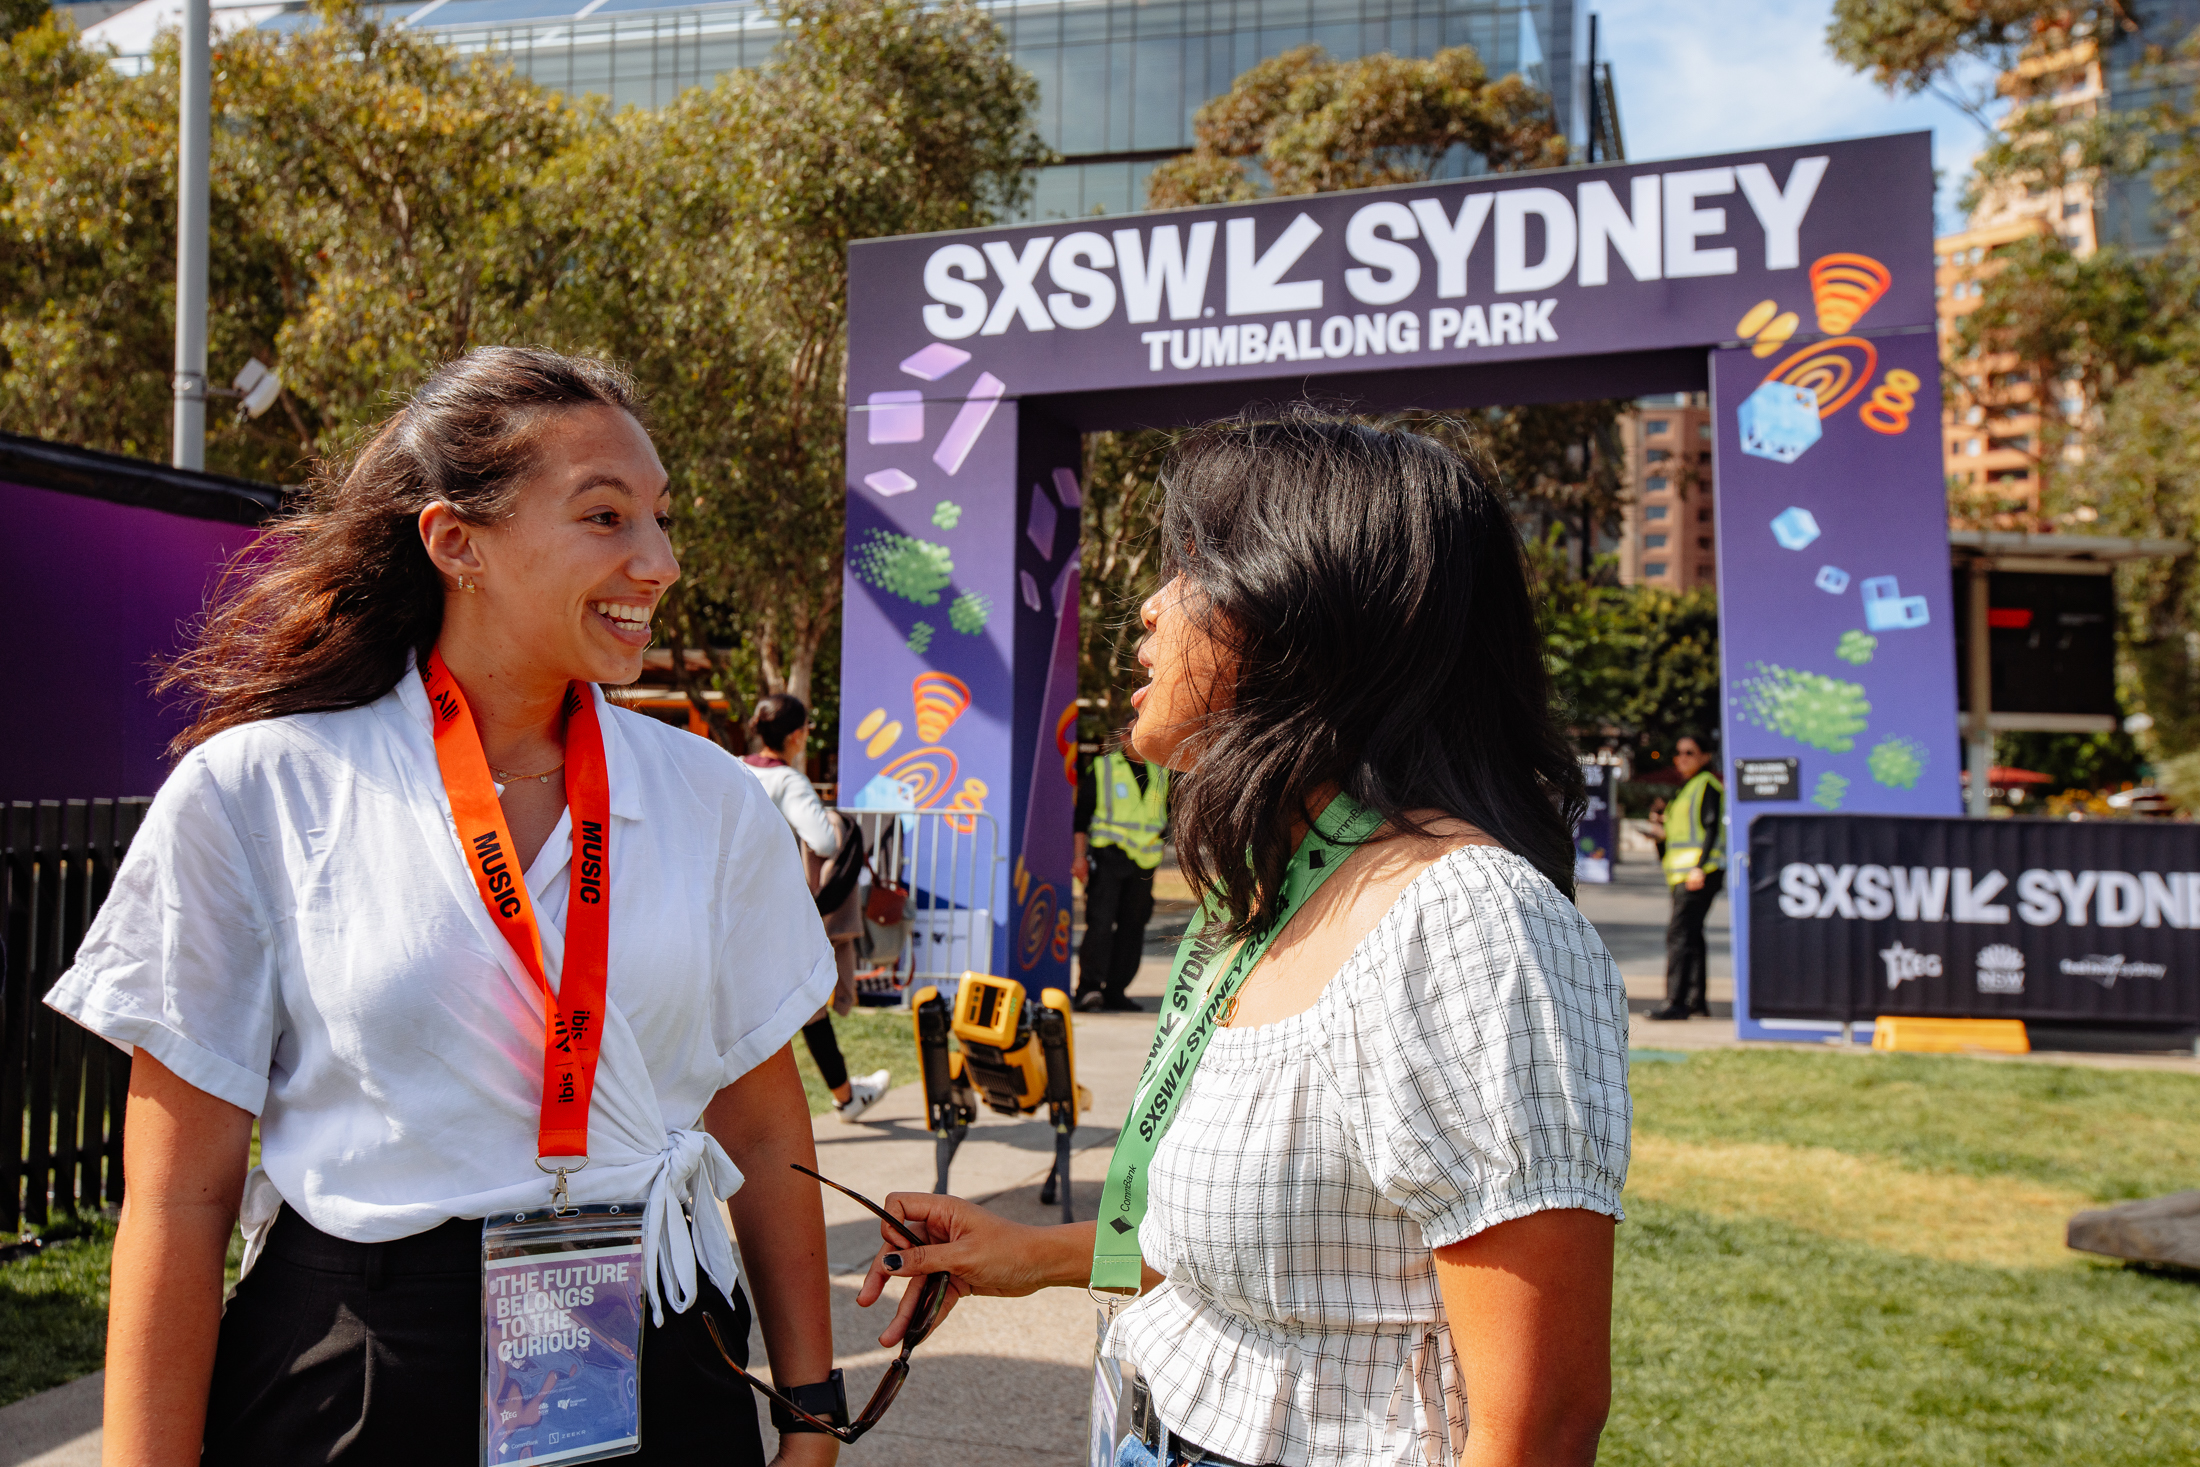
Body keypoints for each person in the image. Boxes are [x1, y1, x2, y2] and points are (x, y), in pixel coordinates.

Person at [46, 349, 847, 1466]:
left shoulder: (710, 797)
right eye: (606, 516)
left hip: (660, 1347)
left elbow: (761, 1123)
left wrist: (810, 1407)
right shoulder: (259, 790)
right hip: (365, 1368)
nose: (658, 563)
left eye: (661, 518)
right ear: (455, 542)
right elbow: (179, 1201)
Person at [856, 411, 1630, 1467]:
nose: (1149, 608)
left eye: (1192, 568)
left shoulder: (1468, 924)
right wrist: (1031, 1254)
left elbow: (1538, 1420)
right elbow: (1287, 1261)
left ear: (1302, 609)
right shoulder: (1264, 901)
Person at [745, 691, 890, 1121]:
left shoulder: (731, 765)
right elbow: (824, 841)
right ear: (794, 735)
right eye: (807, 728)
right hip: (771, 914)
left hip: (729, 912)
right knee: (807, 1005)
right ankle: (845, 1097)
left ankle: (846, 1093)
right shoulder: (787, 781)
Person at [1071, 745, 1170, 1012]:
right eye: (1130, 732)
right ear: (1123, 737)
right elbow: (1081, 818)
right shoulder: (1104, 768)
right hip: (1108, 858)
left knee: (1133, 928)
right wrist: (1080, 857)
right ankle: (1088, 990)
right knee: (1100, 925)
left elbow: (1166, 817)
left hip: (1144, 862)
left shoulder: (1160, 771)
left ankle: (1116, 990)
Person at [1650, 732, 1725, 1022]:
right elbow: (1678, 837)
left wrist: (1699, 867)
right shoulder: (1688, 789)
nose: (1682, 758)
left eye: (1689, 752)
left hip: (1699, 873)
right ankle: (1695, 1001)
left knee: (1679, 935)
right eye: (1679, 753)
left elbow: (1711, 828)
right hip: (1686, 873)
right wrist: (1659, 832)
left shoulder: (1706, 785)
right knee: (1691, 936)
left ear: (1706, 756)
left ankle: (1676, 1002)